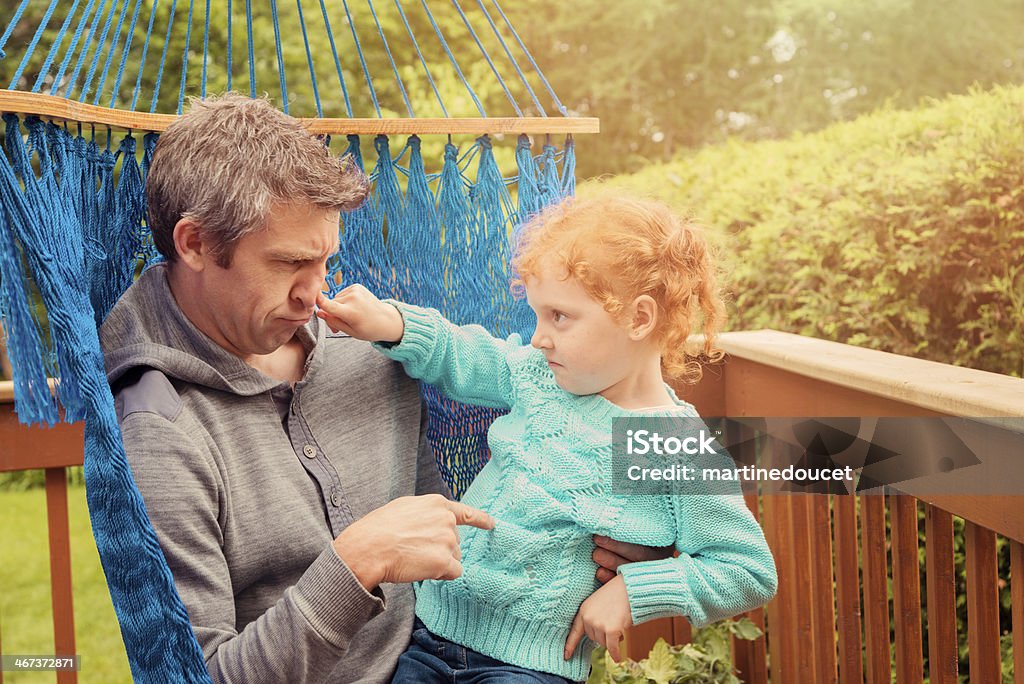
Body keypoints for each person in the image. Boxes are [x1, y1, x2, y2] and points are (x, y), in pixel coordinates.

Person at [100, 93, 663, 684]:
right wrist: (356, 562)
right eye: (288, 263)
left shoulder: (370, 341)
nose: (314, 295)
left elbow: (590, 441)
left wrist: (650, 548)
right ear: (194, 244)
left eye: (325, 262)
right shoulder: (157, 430)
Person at [315, 194, 779, 683]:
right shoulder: (541, 377)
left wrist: (633, 592)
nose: (538, 337)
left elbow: (745, 569)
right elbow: (464, 355)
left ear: (638, 319)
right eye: (539, 315)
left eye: (560, 316)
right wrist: (394, 324)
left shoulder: (669, 445)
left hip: (529, 666)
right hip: (429, 633)